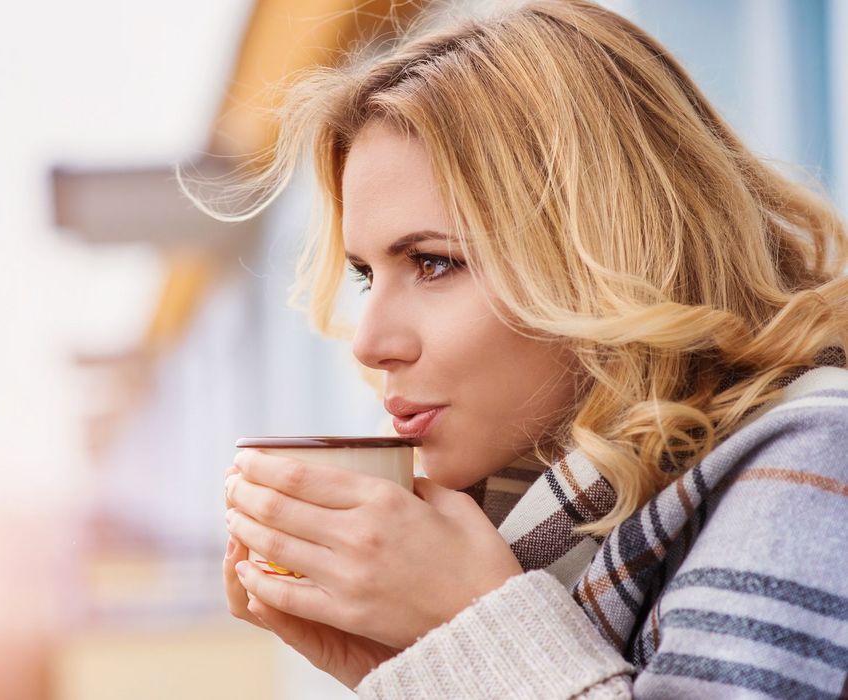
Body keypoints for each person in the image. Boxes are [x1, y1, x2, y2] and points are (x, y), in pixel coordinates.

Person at [200, 0, 848, 697]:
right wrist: (415, 662)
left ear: (608, 253)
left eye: (434, 262)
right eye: (365, 277)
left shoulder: (814, 459)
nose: (370, 343)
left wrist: (477, 626)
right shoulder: (550, 517)